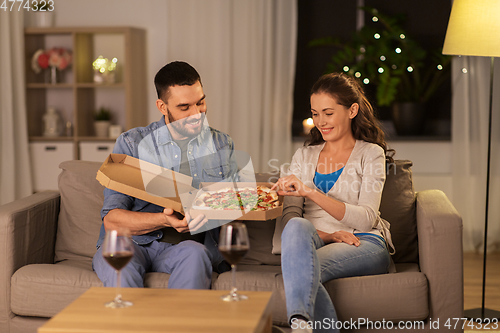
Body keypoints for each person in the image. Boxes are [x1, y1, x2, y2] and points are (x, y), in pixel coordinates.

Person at [92, 61, 235, 289]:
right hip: (130, 243)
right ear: (162, 106)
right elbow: (112, 220)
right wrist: (164, 220)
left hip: (186, 248)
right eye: (184, 107)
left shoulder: (220, 145)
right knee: (120, 266)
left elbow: (229, 206)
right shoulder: (132, 143)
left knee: (196, 255)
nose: (197, 114)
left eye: (201, 102)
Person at [271, 73, 395, 333]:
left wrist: (311, 192)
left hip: (364, 241)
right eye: (315, 114)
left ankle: (299, 323)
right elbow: (290, 223)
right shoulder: (304, 156)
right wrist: (329, 236)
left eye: (328, 113)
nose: (320, 122)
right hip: (321, 238)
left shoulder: (371, 154)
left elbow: (365, 219)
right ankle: (302, 325)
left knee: (298, 270)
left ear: (352, 110)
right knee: (295, 229)